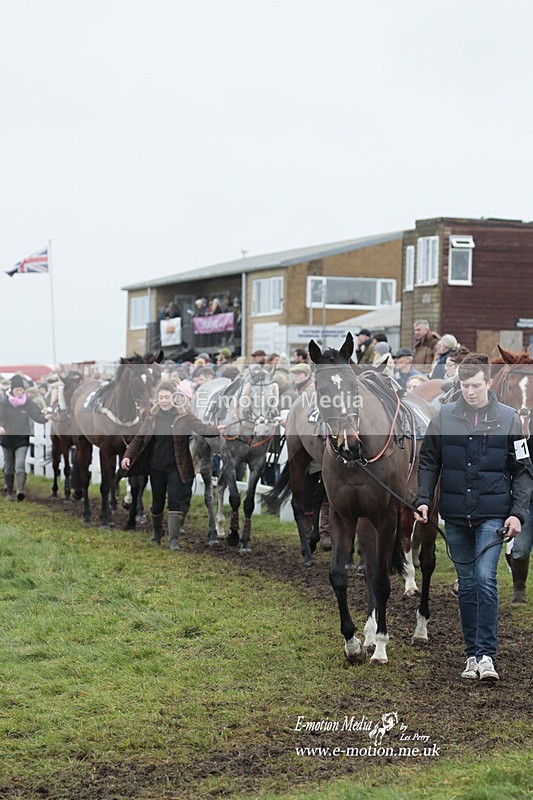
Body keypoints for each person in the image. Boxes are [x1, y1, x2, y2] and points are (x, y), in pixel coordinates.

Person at [414, 354, 533, 682]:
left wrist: (518, 514)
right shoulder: (443, 417)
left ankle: (487, 655)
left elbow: (523, 470)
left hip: (493, 514)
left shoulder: (510, 419)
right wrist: (424, 500)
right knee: (466, 585)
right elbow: (428, 462)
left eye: (476, 385)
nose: (470, 391)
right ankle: (470, 655)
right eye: (465, 386)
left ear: (489, 382)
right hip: (454, 515)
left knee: (484, 579)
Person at [120, 381, 223, 550]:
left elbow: (202, 428)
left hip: (177, 467)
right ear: (157, 399)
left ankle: (173, 539)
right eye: (161, 397)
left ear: (174, 398)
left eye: (167, 397)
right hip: (156, 467)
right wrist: (127, 456)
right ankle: (156, 534)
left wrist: (218, 429)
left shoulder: (184, 417)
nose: (164, 401)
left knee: (175, 501)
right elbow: (138, 439)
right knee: (157, 503)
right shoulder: (152, 417)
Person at [0, 375, 52, 501]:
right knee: (9, 466)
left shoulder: (28, 403)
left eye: (22, 390)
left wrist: (44, 418)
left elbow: (37, 415)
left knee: (20, 464)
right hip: (7, 439)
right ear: (12, 390)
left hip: (22, 438)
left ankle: (20, 491)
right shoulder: (4, 403)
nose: (19, 393)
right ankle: (9, 493)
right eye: (17, 390)